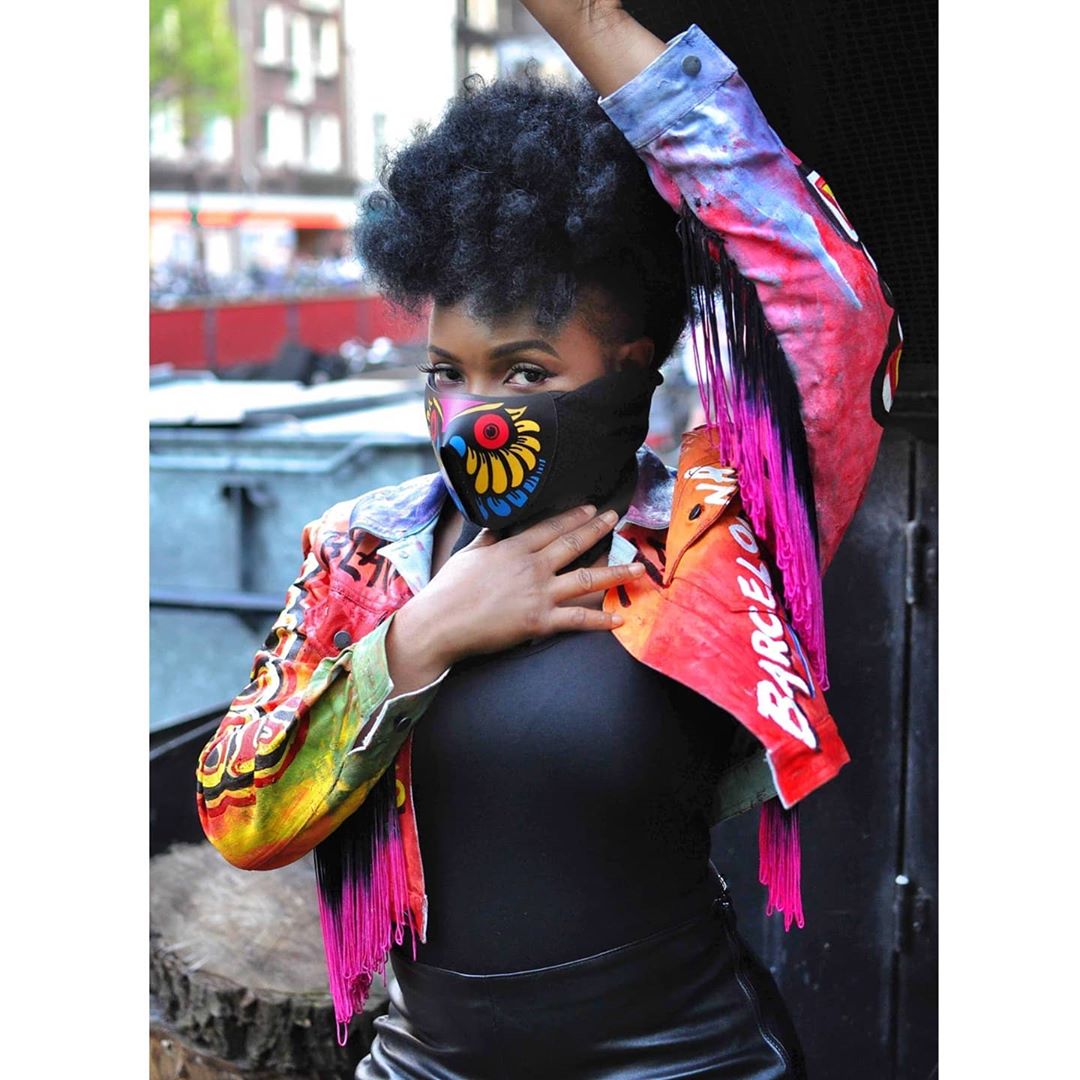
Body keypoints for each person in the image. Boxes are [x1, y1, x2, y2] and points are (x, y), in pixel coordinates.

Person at [195, 2, 900, 1076]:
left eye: (525, 371)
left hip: (683, 1060)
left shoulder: (715, 535)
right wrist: (421, 639)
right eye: (449, 372)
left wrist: (587, 20)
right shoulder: (365, 556)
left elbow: (830, 307)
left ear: (630, 367)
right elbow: (239, 815)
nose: (476, 413)